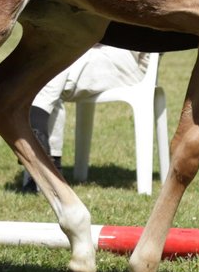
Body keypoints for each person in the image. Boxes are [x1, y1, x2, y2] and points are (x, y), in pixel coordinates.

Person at [20, 45, 152, 193]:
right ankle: (49, 163)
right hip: (87, 50)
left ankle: (35, 132)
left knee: (56, 64)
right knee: (54, 59)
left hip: (128, 59)